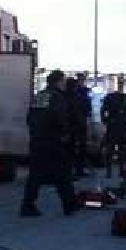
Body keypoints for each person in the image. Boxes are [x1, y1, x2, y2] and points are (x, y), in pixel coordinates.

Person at [21, 70, 79, 217]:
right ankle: (70, 205)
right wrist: (65, 135)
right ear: (59, 81)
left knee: (35, 175)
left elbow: (29, 118)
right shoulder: (57, 97)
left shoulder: (40, 96)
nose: (65, 84)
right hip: (54, 142)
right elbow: (60, 119)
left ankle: (27, 205)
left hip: (37, 141)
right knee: (63, 175)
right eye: (63, 81)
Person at [100, 75, 126, 178]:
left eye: (121, 84)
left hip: (123, 127)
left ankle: (121, 169)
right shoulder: (110, 97)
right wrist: (106, 121)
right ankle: (109, 171)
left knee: (122, 150)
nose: (120, 85)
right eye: (119, 83)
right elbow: (103, 111)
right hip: (113, 127)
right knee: (110, 150)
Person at [65, 77, 90, 177]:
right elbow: (85, 109)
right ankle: (76, 170)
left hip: (74, 126)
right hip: (76, 126)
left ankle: (75, 170)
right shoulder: (76, 96)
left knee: (74, 150)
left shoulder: (66, 95)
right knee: (74, 150)